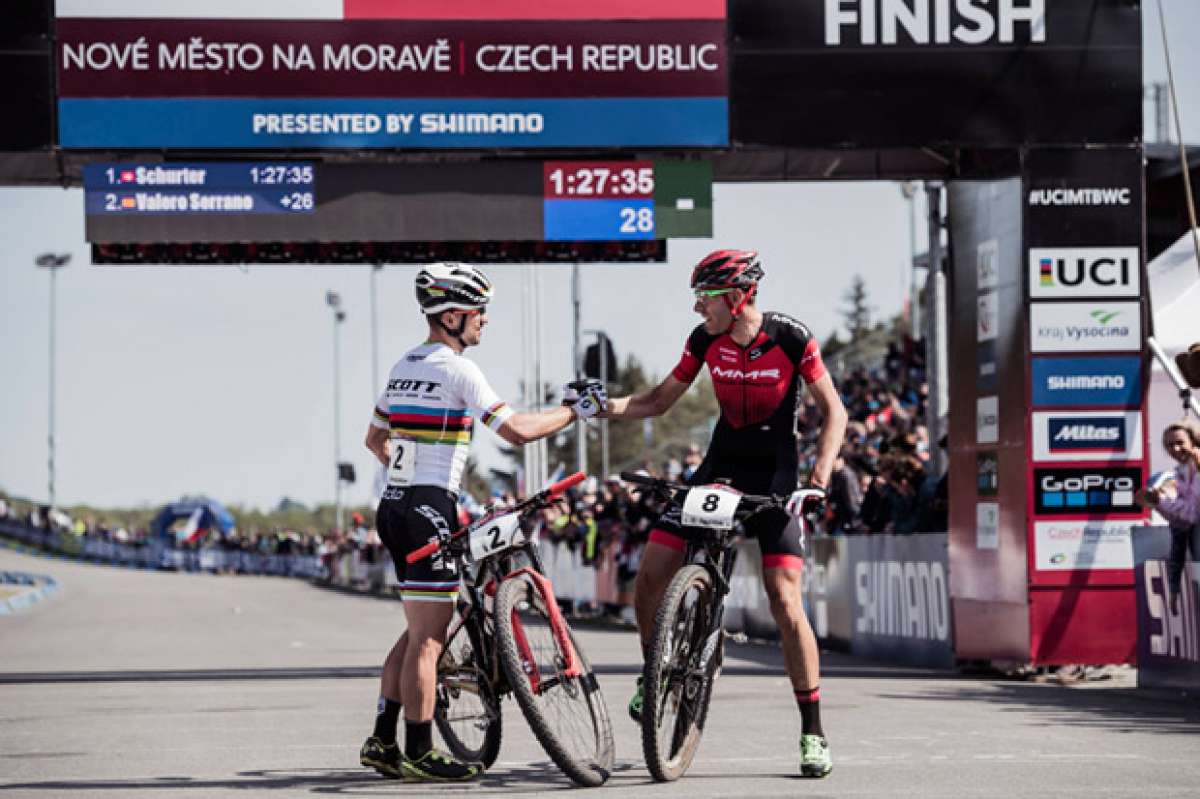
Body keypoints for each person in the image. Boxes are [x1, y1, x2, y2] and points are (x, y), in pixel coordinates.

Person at [600, 249, 848, 778]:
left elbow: (835, 411)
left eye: (705, 299)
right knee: (650, 574)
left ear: (738, 298)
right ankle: (655, 669)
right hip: (720, 466)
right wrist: (605, 406)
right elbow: (657, 400)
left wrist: (819, 482)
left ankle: (813, 731)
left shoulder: (791, 338)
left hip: (776, 474)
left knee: (784, 599)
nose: (696, 309)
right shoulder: (704, 341)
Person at [358, 263, 606, 782]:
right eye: (478, 312)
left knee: (417, 631)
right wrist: (572, 412)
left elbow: (374, 441)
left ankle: (383, 741)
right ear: (451, 315)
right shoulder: (456, 368)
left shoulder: (403, 365)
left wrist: (413, 475)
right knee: (429, 641)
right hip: (429, 506)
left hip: (397, 506)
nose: (485, 321)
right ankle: (420, 751)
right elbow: (514, 430)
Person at [1137, 420, 1200, 614]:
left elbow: (1192, 516)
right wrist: (1173, 586)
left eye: (1180, 442)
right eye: (1169, 445)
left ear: (1194, 442)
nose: (1175, 448)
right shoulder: (1180, 474)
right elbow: (1180, 527)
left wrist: (1159, 502)